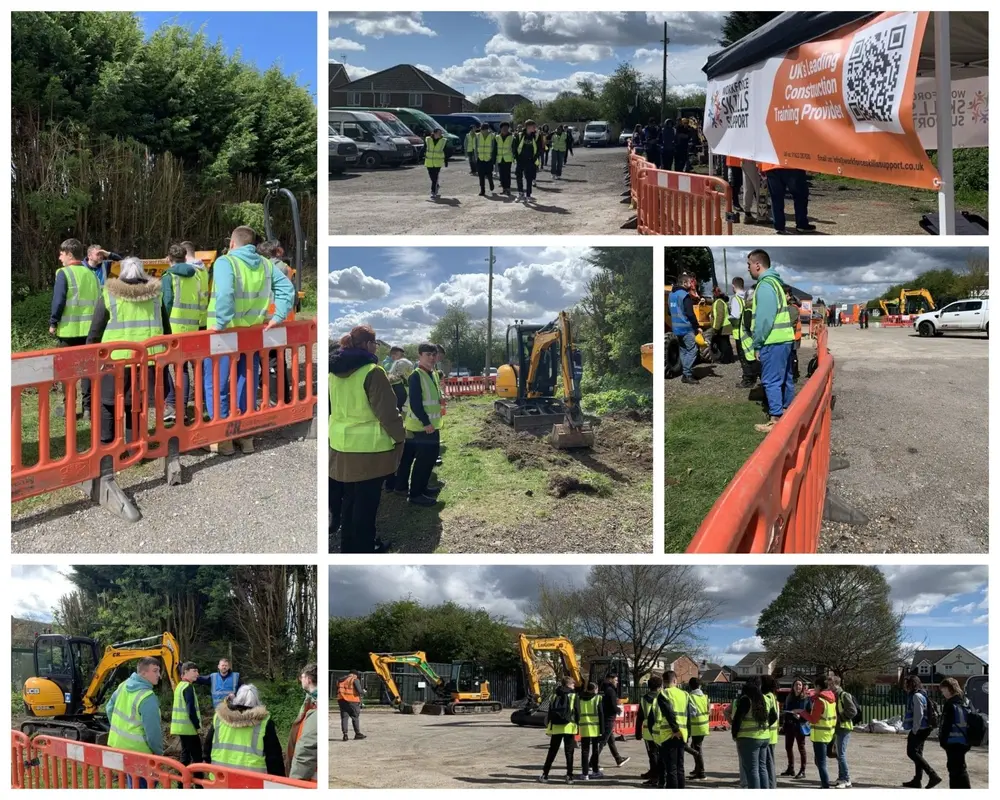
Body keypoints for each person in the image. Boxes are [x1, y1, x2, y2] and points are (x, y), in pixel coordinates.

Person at [203, 225, 295, 455]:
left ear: (232, 243)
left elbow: (225, 293)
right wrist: (279, 315)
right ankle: (246, 437)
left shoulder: (226, 262)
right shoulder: (266, 264)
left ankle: (223, 439)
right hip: (252, 334)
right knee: (247, 382)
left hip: (223, 335)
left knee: (217, 384)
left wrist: (221, 323)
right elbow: (287, 288)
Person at [329, 325, 405, 553]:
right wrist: (400, 437)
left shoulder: (332, 372)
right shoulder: (373, 372)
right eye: (376, 344)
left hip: (341, 446)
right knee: (367, 506)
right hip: (369, 452)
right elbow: (388, 413)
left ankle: (348, 548)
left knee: (349, 502)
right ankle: (365, 548)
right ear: (369, 344)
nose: (377, 348)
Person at [85, 257, 170, 446]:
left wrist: (90, 355)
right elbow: (166, 329)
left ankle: (108, 446)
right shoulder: (156, 296)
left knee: (108, 403)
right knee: (136, 406)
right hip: (147, 360)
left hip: (114, 361)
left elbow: (95, 331)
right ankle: (135, 447)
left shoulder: (109, 295)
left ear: (121, 271)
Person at [747, 249, 795, 432]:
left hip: (772, 341)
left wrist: (757, 343)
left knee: (771, 380)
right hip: (784, 340)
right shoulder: (776, 283)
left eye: (749, 265)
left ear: (758, 265)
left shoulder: (765, 285)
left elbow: (764, 319)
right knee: (786, 378)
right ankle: (789, 412)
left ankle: (776, 419)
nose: (748, 269)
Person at [50, 238, 98, 419]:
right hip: (89, 332)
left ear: (69, 255)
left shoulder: (63, 273)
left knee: (67, 371)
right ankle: (88, 409)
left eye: (61, 254)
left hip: (69, 331)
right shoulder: (91, 275)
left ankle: (69, 407)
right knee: (88, 371)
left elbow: (58, 301)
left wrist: (53, 322)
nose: (59, 257)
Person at [393, 343, 443, 507]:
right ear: (420, 356)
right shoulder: (416, 376)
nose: (432, 357)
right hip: (422, 426)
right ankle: (415, 494)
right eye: (428, 354)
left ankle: (422, 488)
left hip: (432, 425)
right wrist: (426, 423)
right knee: (423, 461)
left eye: (434, 354)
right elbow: (415, 403)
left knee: (429, 459)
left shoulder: (433, 374)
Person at [161, 243, 206, 422]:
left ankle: (173, 405)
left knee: (165, 366)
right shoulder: (195, 276)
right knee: (183, 369)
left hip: (173, 327)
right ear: (185, 258)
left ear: (169, 259)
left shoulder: (169, 276)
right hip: (192, 326)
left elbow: (167, 302)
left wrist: (163, 325)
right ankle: (183, 408)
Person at [105, 657, 164, 788]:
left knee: (133, 782)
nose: (159, 675)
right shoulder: (147, 697)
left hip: (121, 747)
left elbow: (109, 708)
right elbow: (153, 733)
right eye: (155, 671)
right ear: (143, 673)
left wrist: (118, 730)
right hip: (141, 753)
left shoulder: (123, 686)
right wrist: (159, 754)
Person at [205, 684, 285, 777]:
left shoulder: (219, 718)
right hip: (251, 781)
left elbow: (207, 748)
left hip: (220, 778)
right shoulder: (264, 723)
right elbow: (274, 758)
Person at [732, 675, 773, 789]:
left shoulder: (746, 699)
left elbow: (737, 719)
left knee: (752, 769)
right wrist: (764, 726)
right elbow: (774, 716)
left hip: (749, 738)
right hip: (764, 737)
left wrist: (734, 734)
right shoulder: (766, 699)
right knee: (762, 767)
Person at [795, 679, 837, 789]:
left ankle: (825, 786)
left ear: (818, 686)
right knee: (820, 762)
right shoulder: (831, 700)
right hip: (829, 734)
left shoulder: (820, 701)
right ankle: (825, 784)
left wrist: (802, 712)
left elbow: (813, 719)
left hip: (820, 736)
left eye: (815, 686)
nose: (814, 689)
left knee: (821, 763)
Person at [538, 676, 580, 784]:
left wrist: (550, 725)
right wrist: (577, 726)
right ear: (569, 684)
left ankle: (545, 775)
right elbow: (577, 713)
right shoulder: (573, 696)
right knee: (569, 752)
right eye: (573, 684)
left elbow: (550, 712)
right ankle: (569, 776)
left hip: (556, 727)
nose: (574, 686)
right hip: (569, 727)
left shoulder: (553, 695)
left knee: (552, 751)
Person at [902, 675, 942, 788]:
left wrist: (915, 729)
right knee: (918, 754)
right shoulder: (922, 694)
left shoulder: (916, 696)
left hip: (920, 729)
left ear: (911, 684)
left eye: (907, 684)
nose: (905, 686)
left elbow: (919, 714)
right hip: (924, 728)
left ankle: (933, 775)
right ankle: (917, 780)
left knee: (912, 752)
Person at [651, 670, 686, 788]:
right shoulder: (685, 694)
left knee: (671, 769)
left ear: (664, 682)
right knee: (680, 767)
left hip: (669, 734)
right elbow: (688, 715)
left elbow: (668, 712)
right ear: (675, 680)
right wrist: (685, 733)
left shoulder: (663, 694)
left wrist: (675, 730)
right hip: (683, 734)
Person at [668, 272, 704, 385]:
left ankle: (687, 374)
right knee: (693, 350)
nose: (691, 284)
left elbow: (669, 312)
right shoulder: (685, 295)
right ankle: (687, 374)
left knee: (683, 351)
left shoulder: (671, 295)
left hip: (676, 328)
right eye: (689, 282)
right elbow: (690, 314)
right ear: (684, 283)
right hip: (686, 328)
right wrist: (697, 327)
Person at [938, 677, 972, 788]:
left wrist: (943, 741)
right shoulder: (965, 701)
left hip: (952, 741)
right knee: (961, 768)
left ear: (949, 689)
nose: (943, 693)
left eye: (943, 690)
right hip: (964, 740)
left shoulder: (950, 704)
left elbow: (946, 725)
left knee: (954, 771)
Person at [762, 163, 815, 234]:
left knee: (776, 197)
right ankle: (801, 224)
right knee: (800, 195)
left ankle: (779, 226)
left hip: (771, 166)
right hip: (792, 164)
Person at [287, 664, 318, 781]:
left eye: (302, 677)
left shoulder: (315, 707)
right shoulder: (311, 701)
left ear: (308, 679)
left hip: (309, 780)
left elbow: (306, 750)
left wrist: (295, 782)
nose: (300, 680)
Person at [170, 662, 204, 767]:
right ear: (185, 672)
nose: (197, 674)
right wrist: (197, 726)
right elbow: (191, 710)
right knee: (197, 756)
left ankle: (182, 777)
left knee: (185, 754)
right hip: (189, 728)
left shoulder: (179, 686)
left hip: (181, 728)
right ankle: (198, 777)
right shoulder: (188, 687)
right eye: (194, 671)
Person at [634, 674, 662, 785]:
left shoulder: (644, 699)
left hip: (648, 732)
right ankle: (657, 773)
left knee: (652, 754)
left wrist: (638, 733)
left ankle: (654, 776)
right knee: (661, 754)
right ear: (660, 686)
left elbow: (640, 717)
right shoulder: (663, 697)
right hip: (661, 730)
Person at [598, 674, 630, 768]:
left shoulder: (602, 689)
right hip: (609, 718)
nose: (617, 682)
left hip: (605, 716)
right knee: (603, 741)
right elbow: (613, 705)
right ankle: (592, 762)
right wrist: (618, 709)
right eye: (615, 680)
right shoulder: (610, 690)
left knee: (611, 740)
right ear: (610, 679)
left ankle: (618, 759)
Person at [781, 677, 809, 778]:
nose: (798, 686)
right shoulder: (789, 697)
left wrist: (801, 717)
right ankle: (791, 768)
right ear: (793, 687)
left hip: (799, 726)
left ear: (802, 687)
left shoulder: (805, 699)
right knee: (788, 747)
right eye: (796, 685)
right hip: (789, 725)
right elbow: (785, 708)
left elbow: (809, 713)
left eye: (799, 685)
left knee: (801, 748)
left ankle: (802, 770)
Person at [577, 681, 605, 781]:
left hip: (584, 727)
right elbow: (601, 714)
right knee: (595, 750)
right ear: (594, 689)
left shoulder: (579, 698)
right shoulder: (597, 698)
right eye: (597, 689)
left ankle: (585, 774)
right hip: (595, 728)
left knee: (584, 751)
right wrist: (602, 730)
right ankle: (595, 771)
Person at [685, 676, 709, 781]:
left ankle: (701, 772)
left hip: (696, 726)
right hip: (704, 725)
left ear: (690, 686)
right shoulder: (705, 696)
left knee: (696, 749)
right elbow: (708, 710)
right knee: (695, 746)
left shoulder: (690, 697)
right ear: (700, 686)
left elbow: (692, 713)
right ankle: (697, 769)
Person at [760, 675, 780, 788]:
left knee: (769, 763)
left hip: (769, 734)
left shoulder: (767, 696)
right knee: (769, 762)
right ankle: (771, 784)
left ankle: (771, 785)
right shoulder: (773, 696)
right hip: (772, 734)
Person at [514, 120, 540, 204]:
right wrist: (517, 158)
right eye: (533, 126)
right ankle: (520, 193)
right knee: (519, 177)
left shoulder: (536, 136)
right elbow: (514, 147)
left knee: (529, 178)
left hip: (530, 160)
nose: (535, 128)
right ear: (528, 126)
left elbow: (539, 148)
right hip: (520, 160)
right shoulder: (519, 135)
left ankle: (528, 195)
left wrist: (534, 158)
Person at [337, 668, 366, 742]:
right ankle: (357, 733)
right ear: (354, 674)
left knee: (344, 718)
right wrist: (364, 692)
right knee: (355, 717)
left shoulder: (341, 680)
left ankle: (345, 735)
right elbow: (359, 691)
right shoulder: (354, 679)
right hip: (352, 701)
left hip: (342, 700)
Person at [384, 347, 412, 412]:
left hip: (400, 388)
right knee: (397, 409)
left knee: (396, 409)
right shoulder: (399, 362)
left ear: (398, 354)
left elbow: (398, 376)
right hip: (399, 388)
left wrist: (386, 380)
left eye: (393, 354)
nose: (392, 356)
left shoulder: (402, 363)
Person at [423, 127, 449, 200]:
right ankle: (436, 186)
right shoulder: (428, 139)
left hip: (438, 163)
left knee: (435, 177)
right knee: (432, 177)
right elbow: (424, 148)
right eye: (439, 133)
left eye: (441, 133)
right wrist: (420, 157)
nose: (440, 134)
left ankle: (433, 192)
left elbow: (446, 151)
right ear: (434, 133)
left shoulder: (443, 141)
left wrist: (446, 161)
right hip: (429, 162)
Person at [710, 286, 734, 364]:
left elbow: (719, 316)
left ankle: (725, 360)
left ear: (715, 294)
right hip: (726, 325)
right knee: (726, 343)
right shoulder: (722, 301)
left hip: (723, 326)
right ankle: (730, 358)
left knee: (723, 344)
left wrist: (716, 328)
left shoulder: (718, 302)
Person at [474, 124, 496, 196]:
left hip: (488, 158)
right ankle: (482, 190)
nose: (483, 131)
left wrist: (493, 157)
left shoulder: (492, 136)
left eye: (485, 129)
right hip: (480, 158)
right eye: (482, 129)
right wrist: (476, 157)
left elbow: (493, 147)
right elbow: (475, 147)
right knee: (481, 175)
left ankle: (491, 183)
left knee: (489, 174)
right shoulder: (477, 136)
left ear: (488, 129)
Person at [494, 122, 515, 196]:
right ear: (501, 129)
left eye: (506, 128)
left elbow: (514, 148)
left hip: (508, 159)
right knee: (502, 175)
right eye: (503, 128)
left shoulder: (512, 137)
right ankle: (504, 189)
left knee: (507, 174)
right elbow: (495, 148)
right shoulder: (497, 137)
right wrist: (494, 158)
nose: (505, 129)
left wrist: (514, 156)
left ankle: (508, 189)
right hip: (500, 158)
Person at [786, 290, 802, 382]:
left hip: (793, 336)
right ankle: (793, 373)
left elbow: (791, 324)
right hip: (794, 336)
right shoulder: (793, 307)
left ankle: (794, 374)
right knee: (792, 355)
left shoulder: (792, 308)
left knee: (792, 356)